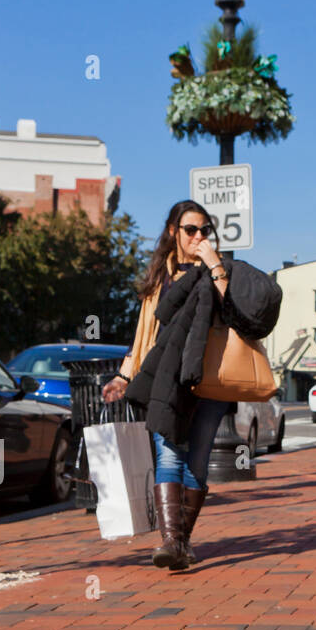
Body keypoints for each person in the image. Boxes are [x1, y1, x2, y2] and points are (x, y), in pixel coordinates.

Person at [102, 200, 280, 570]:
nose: (198, 236)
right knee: (168, 454)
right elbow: (144, 335)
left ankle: (181, 541)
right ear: (173, 232)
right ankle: (171, 541)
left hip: (209, 378)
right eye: (190, 230)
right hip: (166, 377)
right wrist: (124, 375)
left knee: (197, 459)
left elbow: (238, 311)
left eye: (204, 230)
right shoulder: (158, 278)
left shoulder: (219, 269)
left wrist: (214, 262)